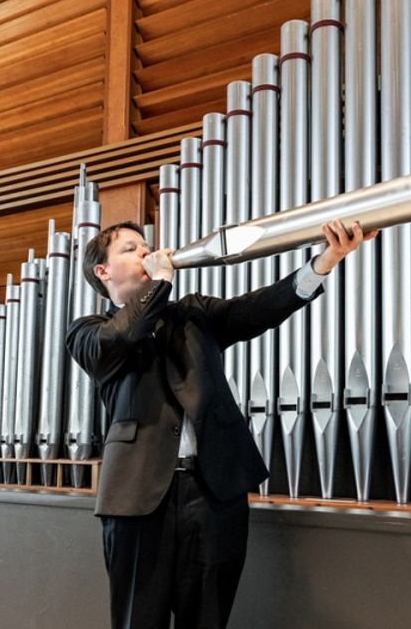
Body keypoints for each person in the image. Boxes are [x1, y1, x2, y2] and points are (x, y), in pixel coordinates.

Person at [65, 218, 374, 629]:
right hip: (136, 498)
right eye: (130, 248)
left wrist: (326, 260)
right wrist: (159, 281)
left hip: (214, 491)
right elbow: (127, 333)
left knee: (208, 618)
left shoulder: (192, 312)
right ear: (102, 272)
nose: (146, 251)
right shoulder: (88, 331)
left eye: (146, 245)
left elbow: (257, 310)